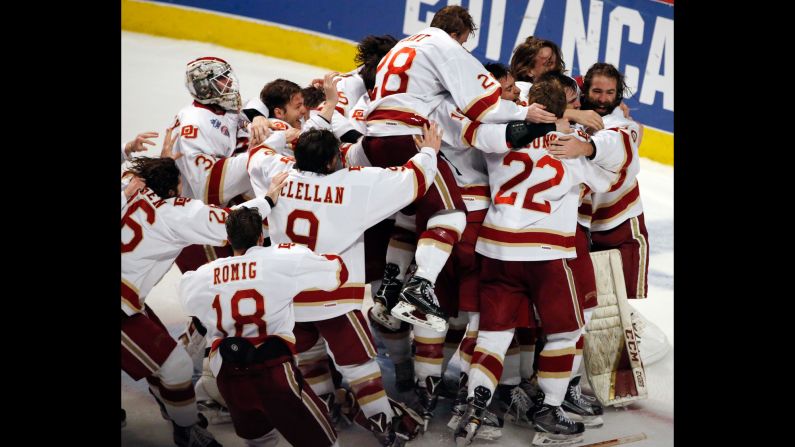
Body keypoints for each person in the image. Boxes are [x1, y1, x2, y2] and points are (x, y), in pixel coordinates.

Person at [454, 79, 627, 446]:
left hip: (496, 248)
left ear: (530, 105)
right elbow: (619, 170)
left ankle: (477, 402)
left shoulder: (499, 138)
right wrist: (587, 144)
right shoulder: (572, 149)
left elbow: (468, 127)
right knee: (566, 332)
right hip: (547, 255)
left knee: (494, 331)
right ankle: (548, 407)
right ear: (564, 108)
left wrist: (521, 117)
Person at [364, 5, 558, 333]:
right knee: (451, 215)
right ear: (458, 34)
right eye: (465, 41)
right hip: (407, 137)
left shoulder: (404, 46)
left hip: (374, 140)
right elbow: (481, 109)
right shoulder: (445, 48)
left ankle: (391, 288)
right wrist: (527, 116)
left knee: (409, 218)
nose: (464, 48)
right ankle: (419, 286)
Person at [247, 126, 444, 445]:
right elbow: (414, 179)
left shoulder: (279, 171)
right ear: (329, 163)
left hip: (288, 298)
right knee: (360, 368)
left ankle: (326, 408)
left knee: (309, 357)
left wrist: (279, 136)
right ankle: (384, 426)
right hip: (335, 297)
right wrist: (430, 150)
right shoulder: (356, 183)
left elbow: (255, 155)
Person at [122, 152, 285, 447]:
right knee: (175, 367)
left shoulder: (128, 184)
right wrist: (269, 200)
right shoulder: (174, 211)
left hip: (129, 298)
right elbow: (234, 221)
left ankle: (179, 416)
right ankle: (187, 431)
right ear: (174, 189)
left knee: (162, 363)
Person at [179, 206, 346, 447]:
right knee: (324, 443)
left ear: (227, 239)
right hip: (273, 370)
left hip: (228, 374)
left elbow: (189, 303)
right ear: (260, 236)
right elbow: (336, 273)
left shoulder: (201, 275)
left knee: (259, 441)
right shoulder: (282, 259)